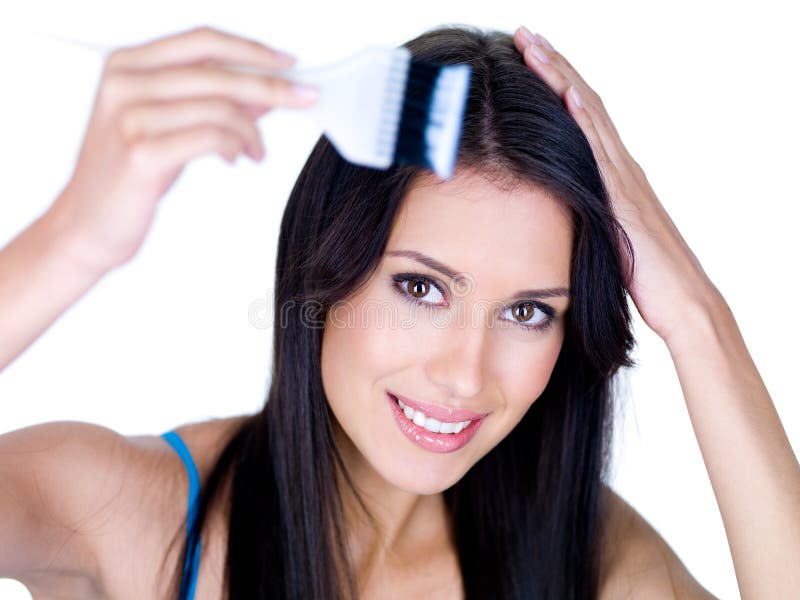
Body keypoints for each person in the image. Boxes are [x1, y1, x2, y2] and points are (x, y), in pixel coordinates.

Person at [0, 22, 797, 600]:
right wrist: (72, 242)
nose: (462, 375)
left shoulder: (596, 566)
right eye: (420, 288)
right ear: (325, 267)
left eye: (528, 312)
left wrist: (696, 316)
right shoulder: (127, 517)